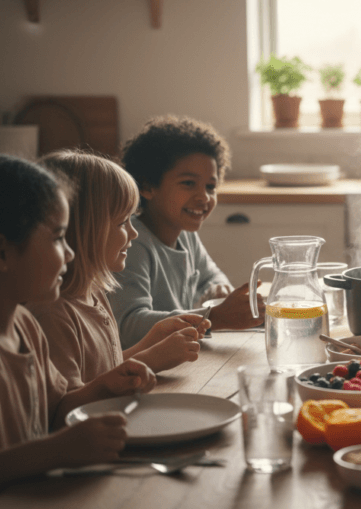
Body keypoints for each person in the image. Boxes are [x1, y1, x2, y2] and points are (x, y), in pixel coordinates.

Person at [0, 154, 155, 509]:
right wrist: (53, 452)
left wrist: (106, 385)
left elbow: (56, 409)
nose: (71, 253)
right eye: (60, 238)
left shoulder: (24, 327)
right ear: (1, 252)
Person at [30, 151, 207, 388]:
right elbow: (66, 409)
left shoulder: (95, 293)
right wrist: (151, 359)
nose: (133, 233)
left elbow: (106, 371)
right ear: (85, 231)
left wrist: (152, 340)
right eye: (123, 222)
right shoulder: (53, 316)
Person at [109, 116, 263, 348]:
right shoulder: (131, 243)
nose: (204, 197)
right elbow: (128, 327)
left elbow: (211, 275)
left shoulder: (185, 234)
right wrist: (214, 317)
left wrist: (215, 288)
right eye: (189, 183)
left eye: (210, 187)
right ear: (148, 186)